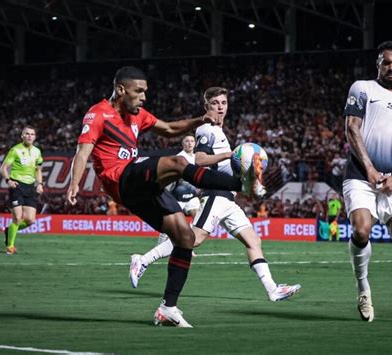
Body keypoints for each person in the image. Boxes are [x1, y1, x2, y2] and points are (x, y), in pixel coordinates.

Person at [67, 67, 265, 328]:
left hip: (139, 189)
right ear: (120, 90)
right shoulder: (98, 114)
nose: (144, 97)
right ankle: (240, 184)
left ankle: (168, 308)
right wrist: (74, 183)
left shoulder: (137, 115)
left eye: (145, 91)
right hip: (120, 178)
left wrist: (200, 121)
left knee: (186, 237)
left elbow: (170, 128)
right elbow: (82, 152)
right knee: (178, 163)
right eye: (139, 91)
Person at [130, 87, 300, 302]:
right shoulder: (205, 129)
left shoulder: (219, 132)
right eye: (215, 103)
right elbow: (199, 160)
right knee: (193, 239)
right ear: (206, 107)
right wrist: (231, 155)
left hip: (228, 199)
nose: (220, 107)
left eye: (223, 103)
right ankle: (142, 260)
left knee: (253, 241)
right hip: (215, 195)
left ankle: (272, 289)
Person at [342, 41, 392, 325]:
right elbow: (352, 129)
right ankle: (363, 288)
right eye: (386, 62)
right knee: (361, 230)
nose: (391, 67)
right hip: (361, 175)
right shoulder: (362, 88)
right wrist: (371, 169)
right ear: (378, 63)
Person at [0, 126, 44, 254]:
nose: (30, 136)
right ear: (22, 136)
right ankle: (10, 246)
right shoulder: (15, 150)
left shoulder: (37, 152)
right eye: (27, 134)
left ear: (34, 137)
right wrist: (8, 180)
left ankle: (9, 230)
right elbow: (3, 168)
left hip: (30, 187)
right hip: (17, 186)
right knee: (18, 218)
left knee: (30, 220)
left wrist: (40, 183)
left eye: (32, 134)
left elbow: (38, 170)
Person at [157, 135, 200, 246]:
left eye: (192, 141)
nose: (190, 143)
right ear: (183, 144)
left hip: (191, 196)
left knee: (198, 218)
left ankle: (188, 247)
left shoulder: (197, 158)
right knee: (169, 224)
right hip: (177, 196)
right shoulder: (179, 157)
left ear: (195, 143)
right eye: (187, 141)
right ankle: (160, 246)